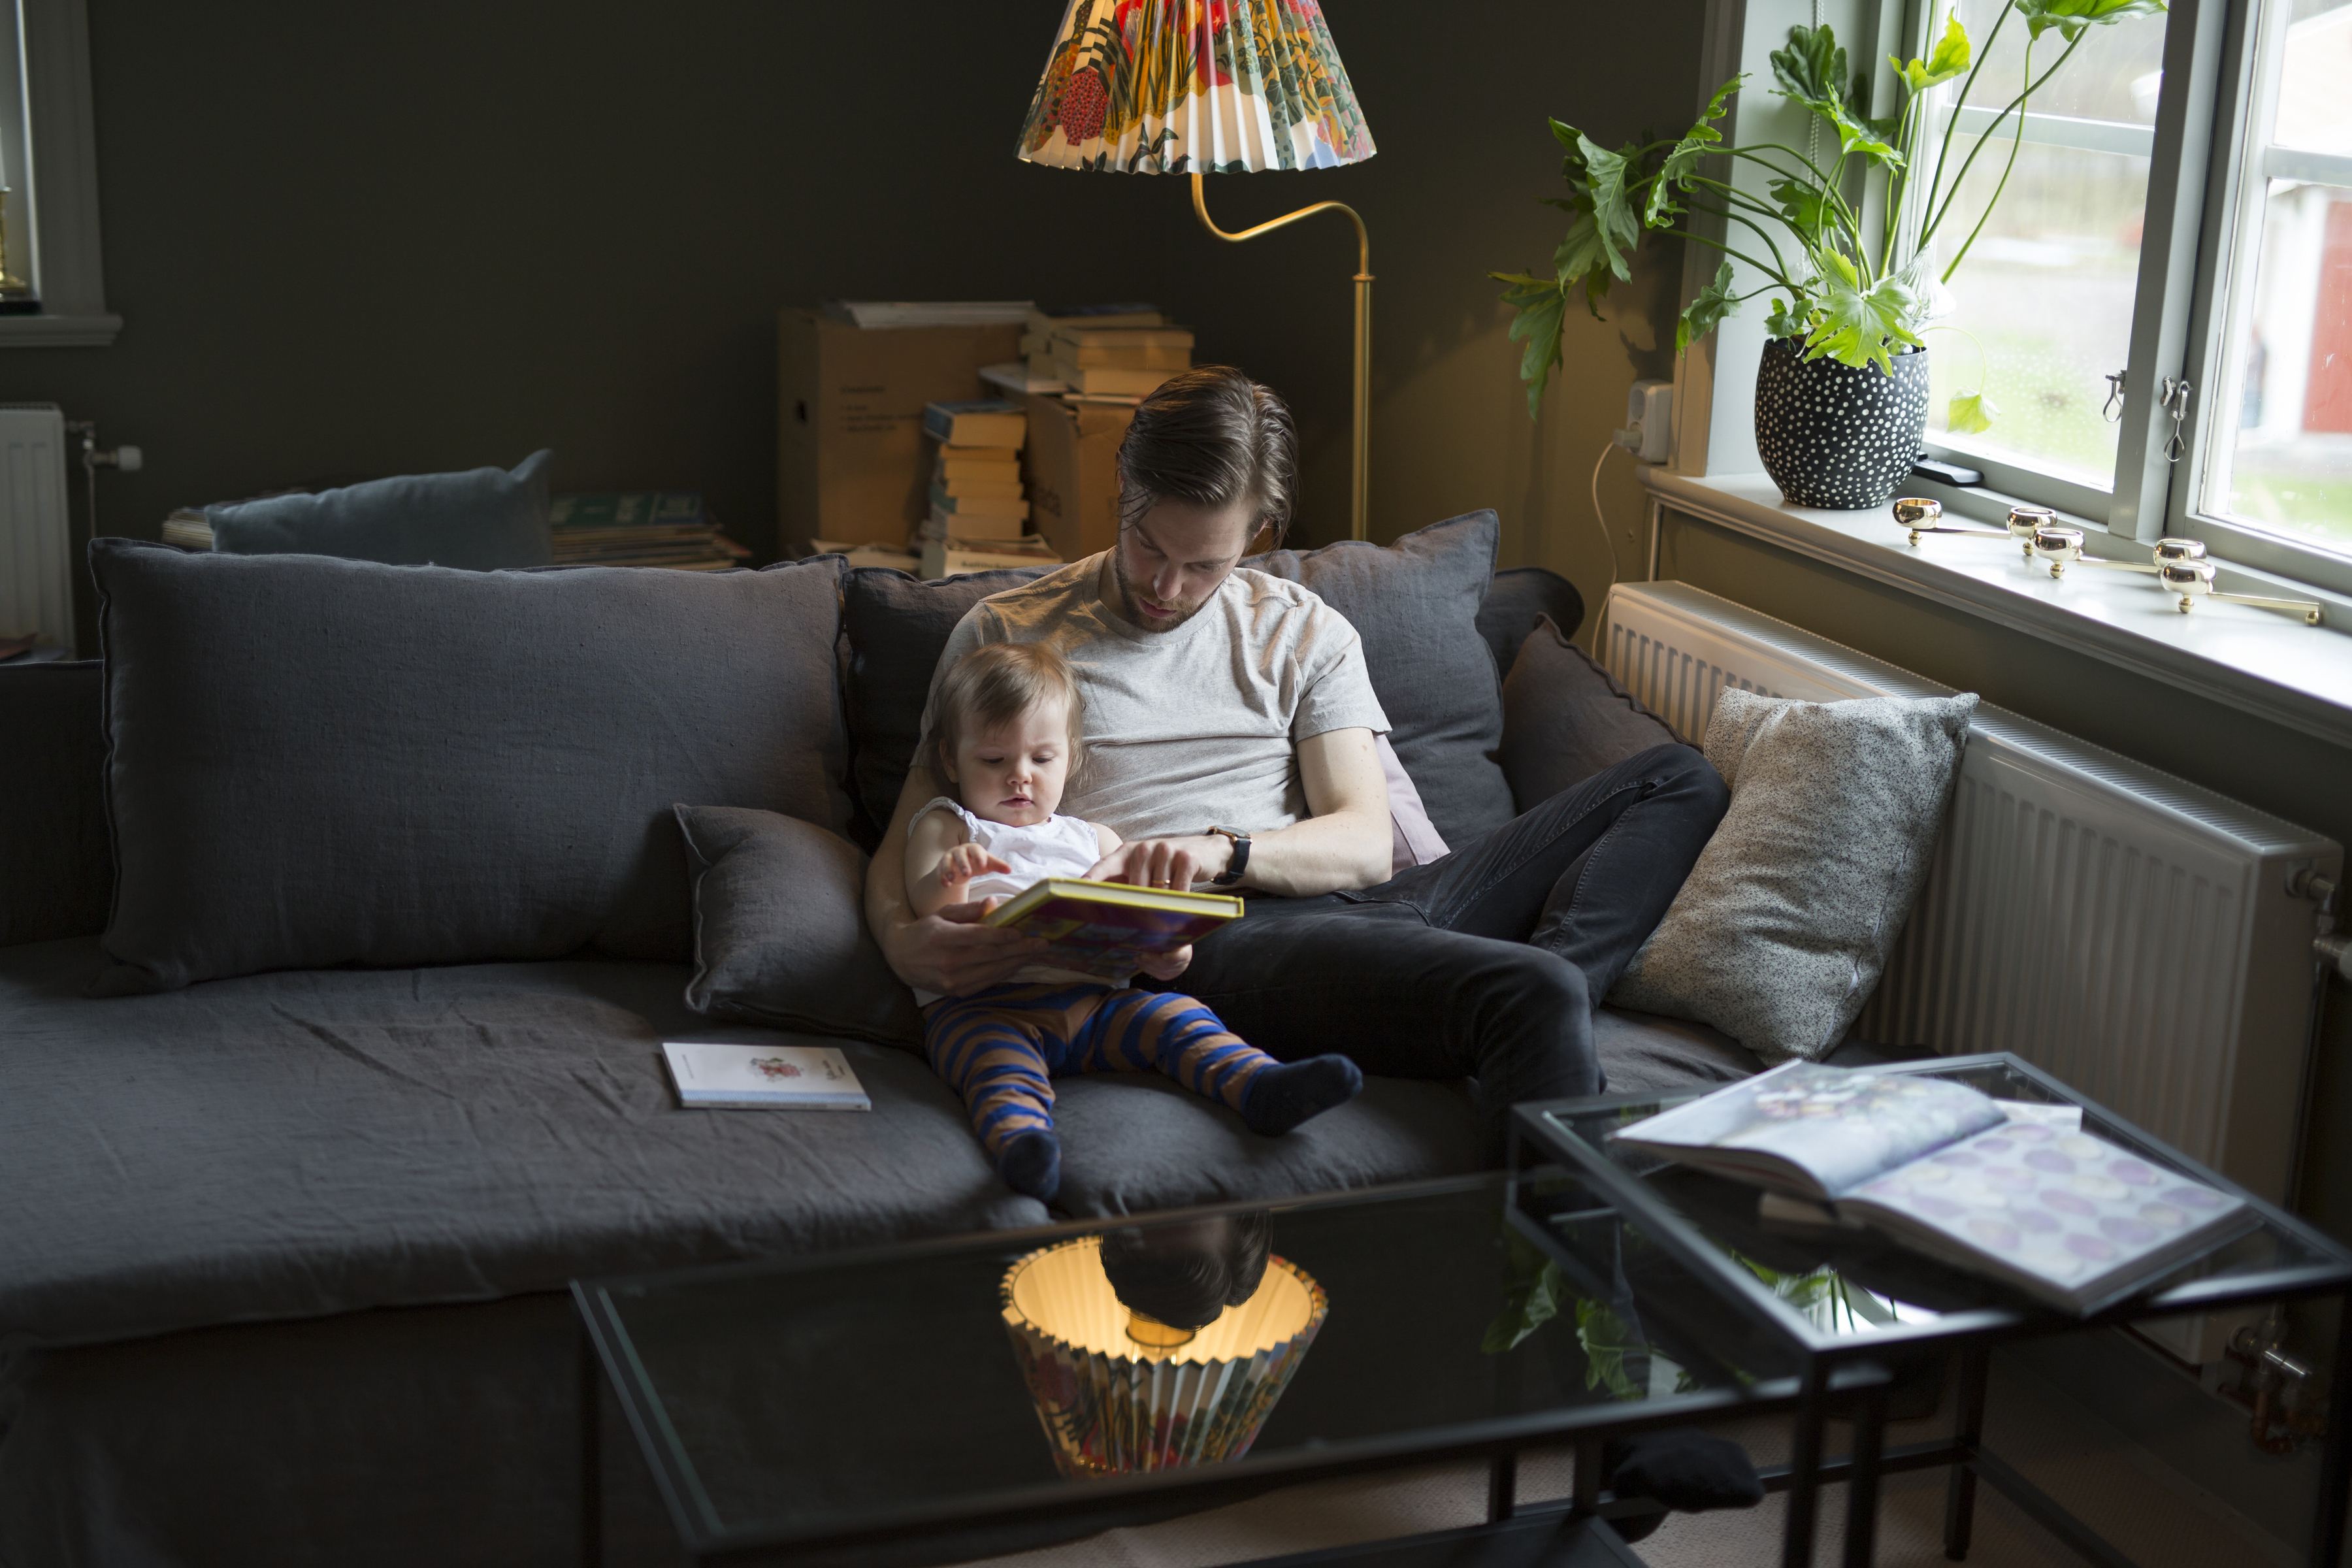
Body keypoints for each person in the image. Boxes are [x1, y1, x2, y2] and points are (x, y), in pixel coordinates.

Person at [866, 367, 1728, 1162]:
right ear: (1121, 491)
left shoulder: (1302, 629)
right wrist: (906, 944)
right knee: (1529, 994)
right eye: (1148, 548)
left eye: (1204, 564)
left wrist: (1222, 848)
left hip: (1372, 904)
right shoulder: (1007, 636)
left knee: (1678, 779)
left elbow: (1360, 840)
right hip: (1227, 942)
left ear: (1259, 532)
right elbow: (911, 834)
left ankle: (1557, 998)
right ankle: (1556, 1283)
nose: (1166, 586)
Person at [907, 639, 1364, 1200]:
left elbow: (1141, 926)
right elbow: (927, 908)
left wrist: (1166, 952)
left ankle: (1260, 1086)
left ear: (1070, 757)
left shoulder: (1093, 838)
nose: (1020, 777)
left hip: (1094, 1006)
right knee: (995, 1066)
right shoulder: (951, 825)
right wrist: (952, 875)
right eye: (994, 761)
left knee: (1175, 1014)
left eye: (1041, 759)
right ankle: (1022, 1147)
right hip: (985, 1006)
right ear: (952, 759)